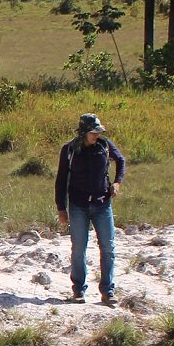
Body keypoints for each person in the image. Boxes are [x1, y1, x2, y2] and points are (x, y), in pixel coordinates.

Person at [55, 112, 126, 306]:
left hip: (103, 204)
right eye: (93, 132)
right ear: (84, 132)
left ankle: (108, 291)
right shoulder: (69, 150)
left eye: (98, 132)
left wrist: (117, 183)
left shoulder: (104, 146)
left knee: (108, 248)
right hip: (78, 206)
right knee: (79, 248)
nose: (96, 135)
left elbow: (121, 160)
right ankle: (78, 290)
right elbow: (61, 180)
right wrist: (61, 208)